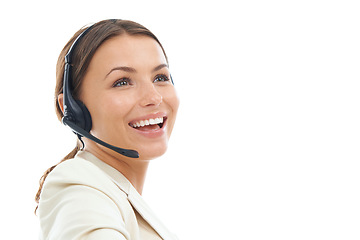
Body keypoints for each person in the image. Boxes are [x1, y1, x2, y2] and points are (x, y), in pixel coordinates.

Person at [35, 19, 180, 240]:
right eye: (122, 82)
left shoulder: (113, 194)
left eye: (160, 77)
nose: (154, 97)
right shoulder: (77, 184)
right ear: (72, 108)